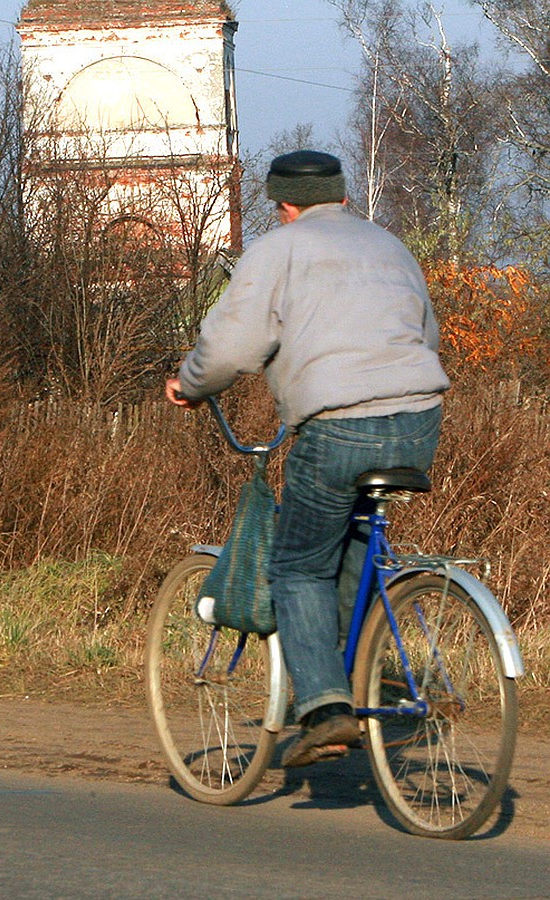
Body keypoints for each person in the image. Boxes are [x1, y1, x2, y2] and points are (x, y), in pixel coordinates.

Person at [165, 150, 449, 768]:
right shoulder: (389, 246)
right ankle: (367, 672)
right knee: (347, 546)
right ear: (341, 195)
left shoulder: (278, 250)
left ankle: (323, 708)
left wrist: (189, 384)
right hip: (421, 418)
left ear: (284, 204)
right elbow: (425, 335)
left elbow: (233, 344)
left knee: (297, 566)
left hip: (338, 426)